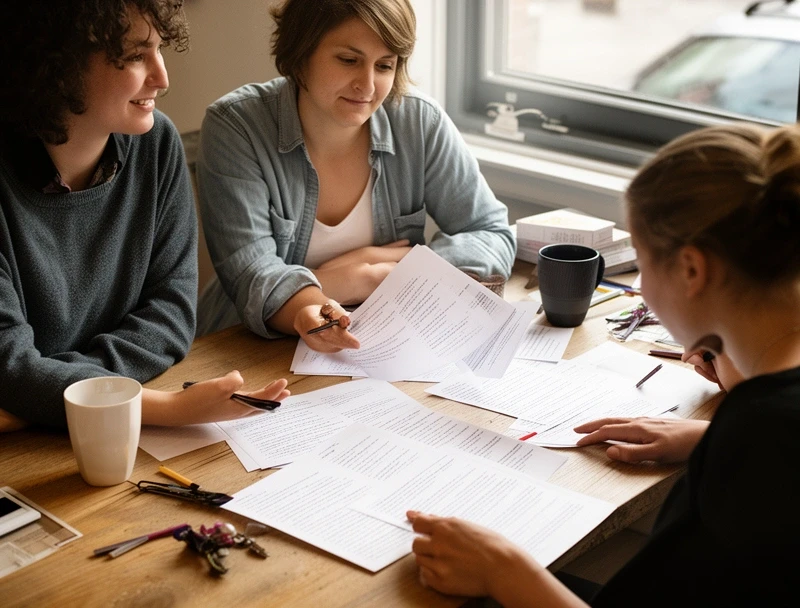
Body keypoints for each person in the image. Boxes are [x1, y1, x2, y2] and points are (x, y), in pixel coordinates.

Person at [408, 122, 800, 606]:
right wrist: (710, 437)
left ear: (692, 270)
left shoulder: (766, 439)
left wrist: (503, 571)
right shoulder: (763, 431)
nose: (640, 290)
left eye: (641, 263)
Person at [0, 0, 289, 433]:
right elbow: (8, 362)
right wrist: (166, 408)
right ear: (59, 64)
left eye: (159, 49)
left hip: (36, 423)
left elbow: (170, 315)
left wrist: (45, 392)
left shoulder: (157, 145)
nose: (163, 78)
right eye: (137, 55)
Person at [195, 0, 515, 353]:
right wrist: (359, 277)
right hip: (250, 349)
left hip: (381, 343)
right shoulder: (236, 127)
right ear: (301, 52)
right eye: (348, 60)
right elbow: (253, 277)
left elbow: (489, 232)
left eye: (385, 65)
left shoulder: (419, 121)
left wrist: (401, 270)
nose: (368, 85)